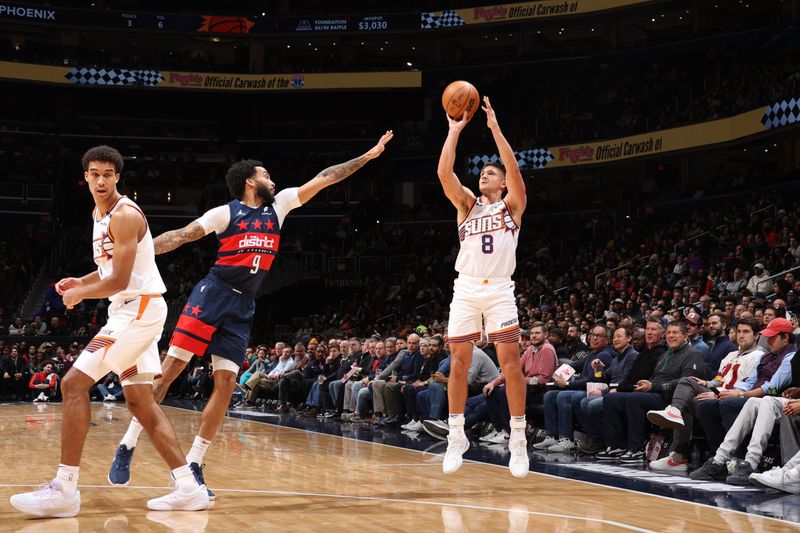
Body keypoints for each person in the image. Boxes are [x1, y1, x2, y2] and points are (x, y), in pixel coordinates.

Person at [108, 133, 393, 497]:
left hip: (244, 305)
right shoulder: (225, 212)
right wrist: (136, 251)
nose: (273, 181)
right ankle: (128, 444)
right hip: (212, 294)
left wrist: (367, 156)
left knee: (226, 385)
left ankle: (194, 464)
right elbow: (181, 235)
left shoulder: (281, 205)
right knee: (170, 370)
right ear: (249, 181)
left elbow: (325, 178)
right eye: (267, 175)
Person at [11, 145, 209, 518]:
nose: (101, 180)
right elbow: (110, 269)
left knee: (72, 384)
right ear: (85, 176)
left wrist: (81, 294)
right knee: (139, 401)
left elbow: (119, 279)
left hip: (139, 310)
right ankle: (188, 486)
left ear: (118, 177)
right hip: (134, 309)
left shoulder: (125, 216)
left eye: (108, 174)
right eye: (94, 174)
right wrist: (81, 279)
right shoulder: (98, 213)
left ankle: (65, 488)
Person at [436, 96, 528, 478]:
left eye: (490, 174)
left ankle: (518, 439)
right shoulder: (467, 207)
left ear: (503, 182)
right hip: (468, 289)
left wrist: (494, 128)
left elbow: (512, 167)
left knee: (510, 365)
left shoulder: (512, 206)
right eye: (481, 174)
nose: (483, 177)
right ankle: (456, 434)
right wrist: (454, 131)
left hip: (500, 290)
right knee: (458, 362)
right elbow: (445, 174)